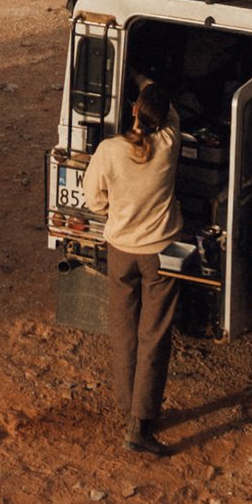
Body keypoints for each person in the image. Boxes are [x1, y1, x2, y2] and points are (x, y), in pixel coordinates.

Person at [78, 79, 184, 454]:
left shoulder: (109, 151)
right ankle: (141, 421)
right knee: (153, 335)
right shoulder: (170, 144)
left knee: (124, 330)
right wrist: (153, 90)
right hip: (158, 254)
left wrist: (112, 211)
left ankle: (127, 406)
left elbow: (93, 199)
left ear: (134, 112)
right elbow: (170, 114)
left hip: (120, 250)